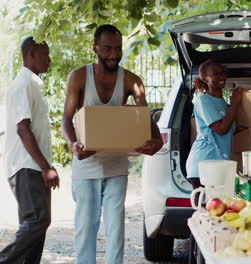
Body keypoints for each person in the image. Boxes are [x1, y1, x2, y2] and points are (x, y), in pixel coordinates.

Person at [61, 24, 163, 264]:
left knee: (116, 227)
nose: (114, 54)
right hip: (86, 165)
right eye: (107, 49)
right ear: (95, 48)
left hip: (117, 165)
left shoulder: (131, 80)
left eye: (118, 49)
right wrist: (73, 143)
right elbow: (66, 118)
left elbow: (144, 117)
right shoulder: (78, 76)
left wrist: (156, 141)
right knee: (86, 227)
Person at [0, 37, 60, 264]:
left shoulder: (33, 85)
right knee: (38, 221)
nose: (50, 59)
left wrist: (46, 166)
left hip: (34, 166)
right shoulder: (22, 85)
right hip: (26, 166)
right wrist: (46, 168)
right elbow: (23, 129)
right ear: (31, 55)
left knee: (36, 225)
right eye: (45, 54)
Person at [186, 60, 242, 189]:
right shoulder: (203, 100)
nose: (221, 77)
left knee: (219, 206)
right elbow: (221, 129)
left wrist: (239, 129)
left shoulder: (221, 102)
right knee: (207, 207)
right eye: (215, 75)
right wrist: (234, 103)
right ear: (205, 78)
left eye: (222, 73)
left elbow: (225, 128)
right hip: (203, 165)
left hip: (217, 166)